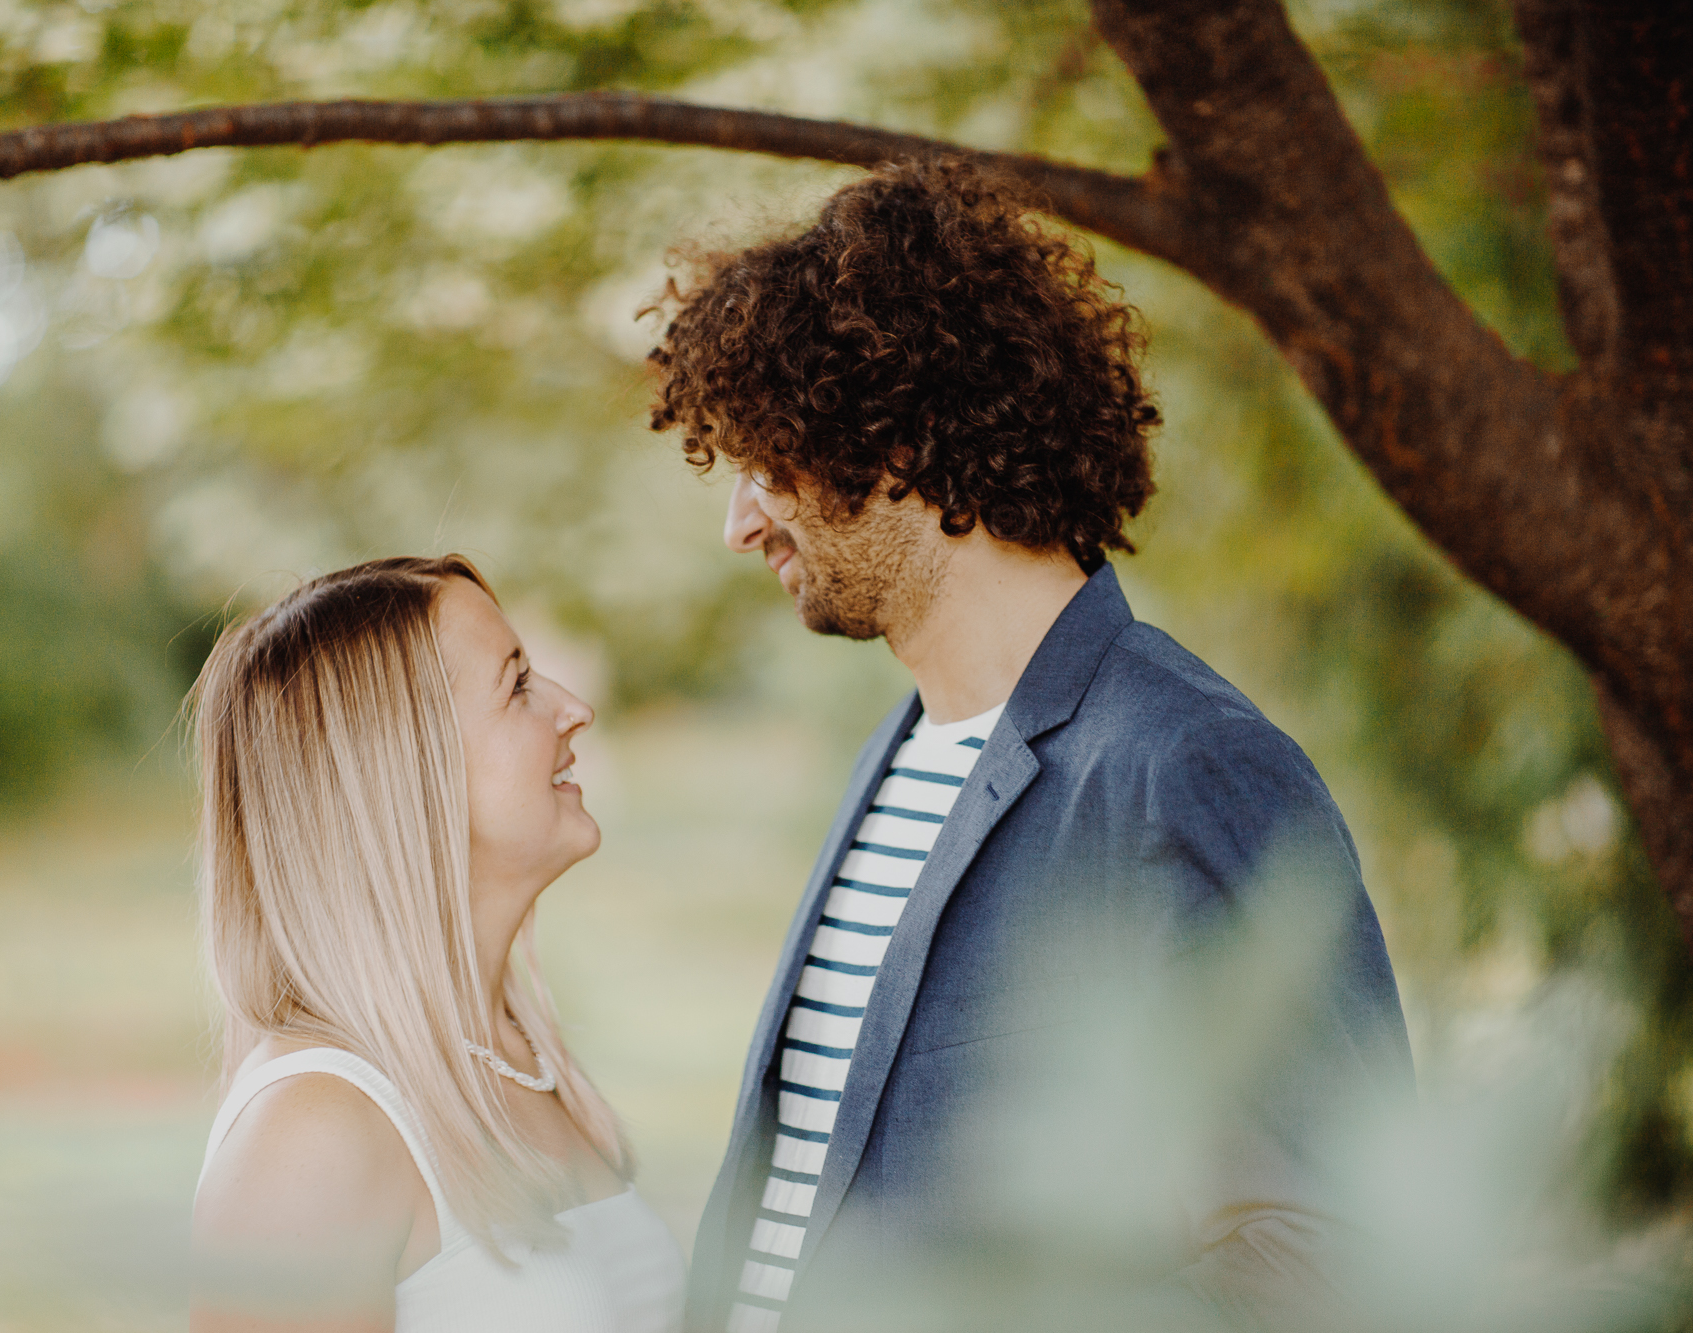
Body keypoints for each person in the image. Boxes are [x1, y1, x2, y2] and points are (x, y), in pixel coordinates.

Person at [646, 159, 1415, 1332]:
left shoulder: (1184, 764)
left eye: (763, 464)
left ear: (886, 434)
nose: (737, 522)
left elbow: (1332, 1247)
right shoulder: (892, 754)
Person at [188, 556, 685, 1332]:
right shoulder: (314, 1132)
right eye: (517, 685)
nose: (574, 708)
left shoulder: (513, 1050)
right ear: (405, 767)